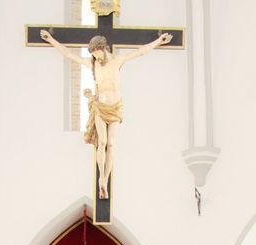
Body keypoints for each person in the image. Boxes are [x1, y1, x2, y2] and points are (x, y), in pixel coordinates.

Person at [40, 30, 173, 200]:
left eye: (96, 52)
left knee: (111, 144)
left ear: (103, 48)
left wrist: (159, 41)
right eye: (93, 54)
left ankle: (106, 178)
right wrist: (51, 39)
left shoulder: (117, 61)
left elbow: (141, 51)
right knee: (101, 142)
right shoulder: (93, 64)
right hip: (100, 108)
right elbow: (68, 54)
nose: (96, 57)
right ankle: (101, 179)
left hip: (116, 108)